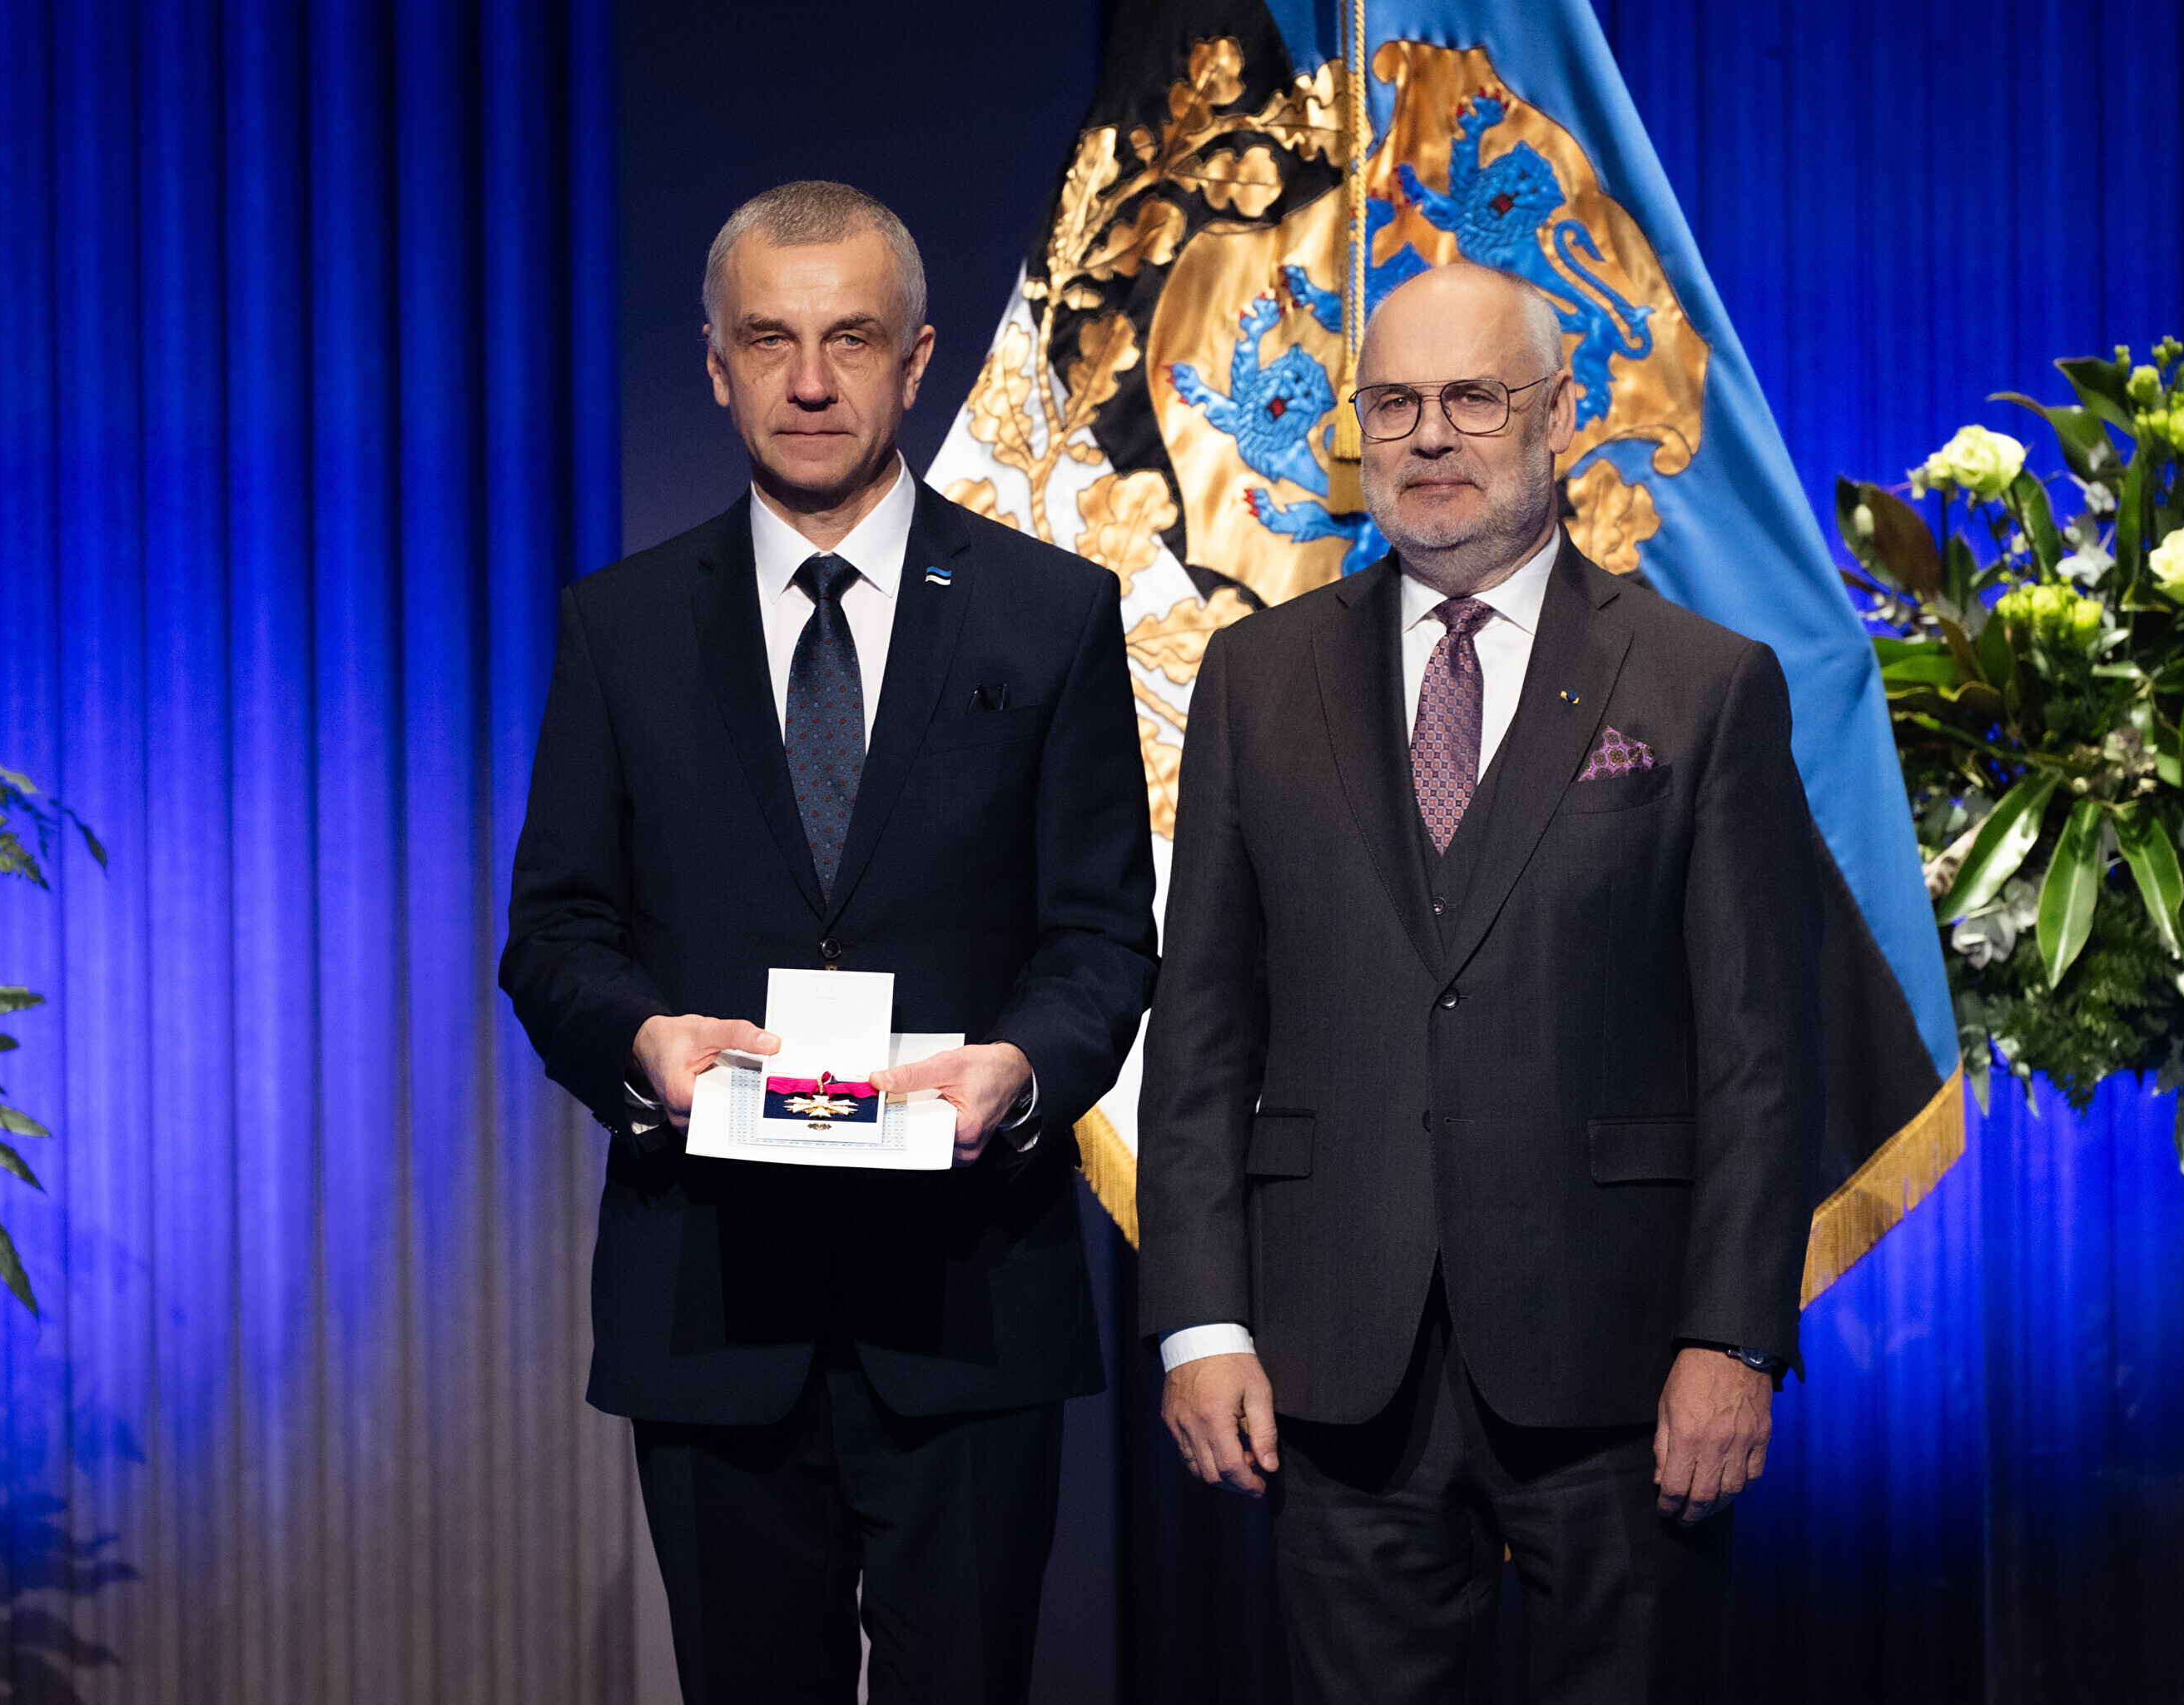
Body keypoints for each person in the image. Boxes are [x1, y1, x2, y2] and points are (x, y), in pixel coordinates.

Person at [499, 180, 1155, 1705]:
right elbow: (556, 932)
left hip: (968, 1299)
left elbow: (1102, 936)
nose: (809, 381)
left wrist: (1018, 1069)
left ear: (916, 359)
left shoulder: (1050, 615)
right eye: (769, 341)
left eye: (850, 339)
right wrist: (644, 1045)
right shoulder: (621, 626)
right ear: (714, 364)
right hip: (714, 1302)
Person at [1139, 261, 1824, 1702]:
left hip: (1625, 1369)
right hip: (1334, 1365)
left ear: (1561, 417)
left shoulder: (1703, 684)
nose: (1432, 435)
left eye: (1473, 398)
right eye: (1394, 404)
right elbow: (1200, 1036)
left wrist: (1735, 1338)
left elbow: (1761, 1058)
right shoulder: (1256, 679)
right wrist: (1202, 1322)